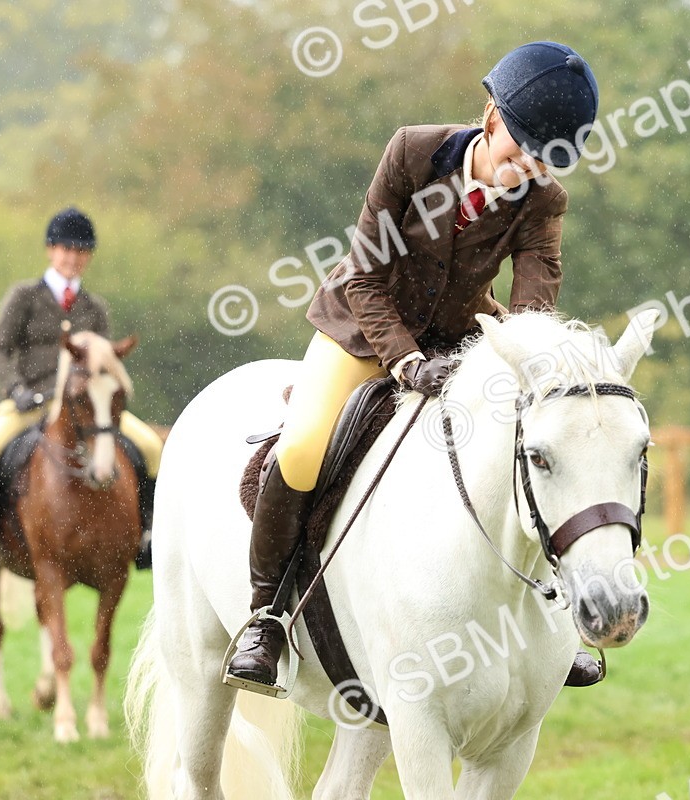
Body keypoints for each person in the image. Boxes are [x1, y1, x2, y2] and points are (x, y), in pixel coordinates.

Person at [223, 41, 601, 692]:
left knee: (527, 448)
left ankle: (549, 616)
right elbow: (367, 276)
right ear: (491, 118)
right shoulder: (412, 153)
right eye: (519, 152)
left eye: (543, 162)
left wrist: (523, 359)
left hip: (460, 335)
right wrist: (403, 362)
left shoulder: (545, 200)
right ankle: (266, 616)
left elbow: (535, 298)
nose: (525, 171)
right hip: (363, 328)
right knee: (307, 445)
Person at [0, 207, 165, 564]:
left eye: (81, 251)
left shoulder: (94, 307)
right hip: (30, 402)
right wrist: (16, 389)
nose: (73, 257)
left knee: (149, 446)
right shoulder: (24, 296)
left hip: (84, 407)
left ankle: (147, 534)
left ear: (88, 257)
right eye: (66, 249)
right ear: (50, 250)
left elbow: (102, 362)